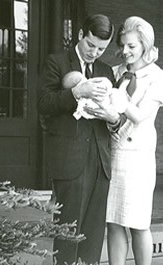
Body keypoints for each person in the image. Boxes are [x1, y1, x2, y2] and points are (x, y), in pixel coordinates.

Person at [38, 14, 121, 264]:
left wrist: (113, 118)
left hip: (100, 162)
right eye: (90, 45)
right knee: (67, 235)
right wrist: (76, 92)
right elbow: (43, 104)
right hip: (69, 161)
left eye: (101, 48)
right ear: (80, 35)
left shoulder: (106, 71)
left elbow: (117, 115)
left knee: (93, 237)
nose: (94, 52)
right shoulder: (56, 63)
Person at [104, 16, 163, 265]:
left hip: (138, 159)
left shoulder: (158, 77)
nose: (125, 51)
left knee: (139, 223)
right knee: (114, 220)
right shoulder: (115, 72)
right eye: (122, 45)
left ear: (145, 44)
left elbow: (141, 116)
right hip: (114, 154)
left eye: (132, 46)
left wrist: (119, 100)